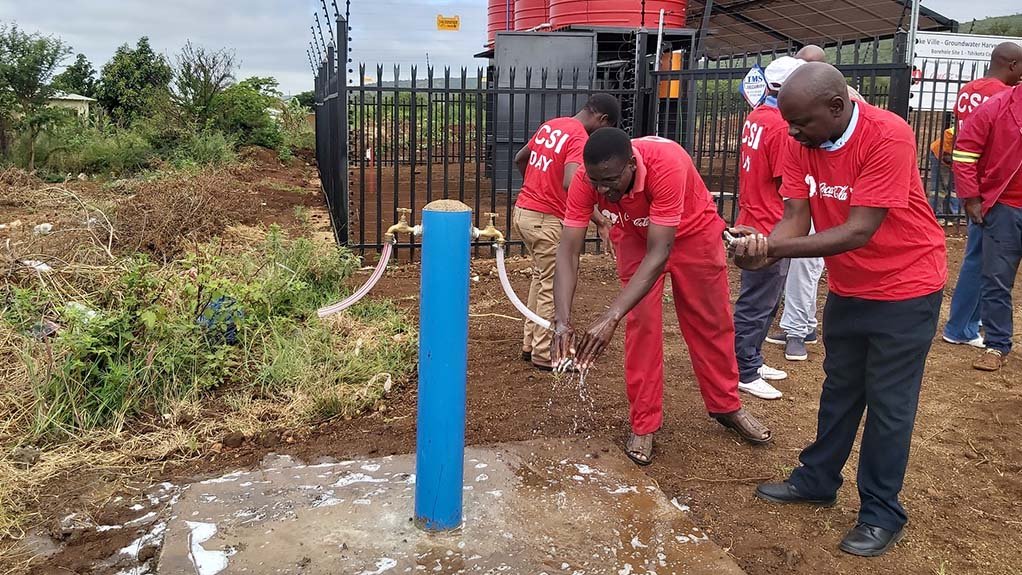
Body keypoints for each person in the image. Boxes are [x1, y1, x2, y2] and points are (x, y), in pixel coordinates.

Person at [732, 63, 947, 557]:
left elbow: (858, 230)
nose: (791, 132)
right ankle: (817, 479)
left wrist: (775, 250)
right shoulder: (802, 137)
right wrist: (762, 245)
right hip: (851, 287)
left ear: (836, 107)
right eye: (788, 121)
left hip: (906, 285)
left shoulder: (886, 135)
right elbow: (795, 217)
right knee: (840, 387)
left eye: (800, 122)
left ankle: (881, 512)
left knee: (889, 405)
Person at [551, 128, 772, 466]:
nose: (601, 191)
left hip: (692, 232)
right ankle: (644, 423)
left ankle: (727, 406)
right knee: (642, 326)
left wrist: (611, 316)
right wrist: (562, 320)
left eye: (609, 181)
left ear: (631, 165)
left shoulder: (666, 164)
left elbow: (660, 253)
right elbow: (568, 251)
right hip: (636, 236)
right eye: (595, 181)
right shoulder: (588, 178)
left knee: (710, 322)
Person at [511, 94, 621, 371]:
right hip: (546, 219)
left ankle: (530, 343)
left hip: (524, 212)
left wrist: (537, 184)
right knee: (553, 283)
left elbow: (520, 158)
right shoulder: (578, 138)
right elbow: (573, 182)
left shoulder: (552, 125)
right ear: (603, 120)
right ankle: (544, 352)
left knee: (542, 277)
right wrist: (598, 219)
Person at [732, 56, 805, 400]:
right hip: (770, 223)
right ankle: (744, 368)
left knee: (764, 299)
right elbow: (784, 181)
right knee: (758, 301)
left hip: (755, 216)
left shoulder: (758, 116)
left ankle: (752, 360)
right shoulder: (779, 125)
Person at [942, 42, 1022, 349]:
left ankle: (964, 325)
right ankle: (962, 326)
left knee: (980, 261)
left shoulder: (968, 90)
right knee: (984, 265)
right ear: (1013, 65)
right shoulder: (999, 97)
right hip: (993, 192)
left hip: (978, 186)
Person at [762, 45, 834, 362]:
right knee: (800, 266)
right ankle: (803, 326)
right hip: (806, 195)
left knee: (806, 267)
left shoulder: (837, 107)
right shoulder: (796, 125)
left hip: (827, 197)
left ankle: (796, 333)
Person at [928, 127, 958, 216]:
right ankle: (936, 214)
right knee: (940, 187)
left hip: (948, 156)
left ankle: (950, 213)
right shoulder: (955, 131)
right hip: (941, 155)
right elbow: (946, 155)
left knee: (952, 187)